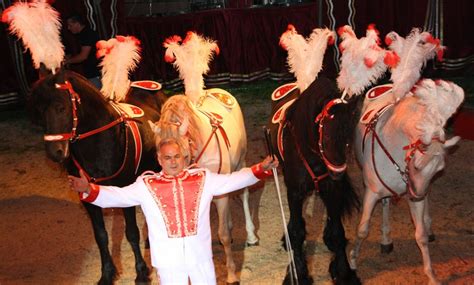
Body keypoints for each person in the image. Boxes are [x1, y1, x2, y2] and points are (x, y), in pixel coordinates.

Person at [69, 137, 278, 284]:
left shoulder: (203, 178)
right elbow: (119, 196)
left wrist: (261, 168)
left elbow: (233, 180)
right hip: (168, 261)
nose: (173, 162)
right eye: (167, 158)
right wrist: (89, 189)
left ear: (184, 158)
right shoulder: (146, 185)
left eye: (177, 157)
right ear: (159, 160)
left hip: (201, 256)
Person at [65, 14, 102, 89]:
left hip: (95, 73)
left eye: (70, 25)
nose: (68, 28)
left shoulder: (87, 34)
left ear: (77, 24)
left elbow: (83, 56)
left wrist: (66, 61)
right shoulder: (82, 34)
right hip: (91, 73)